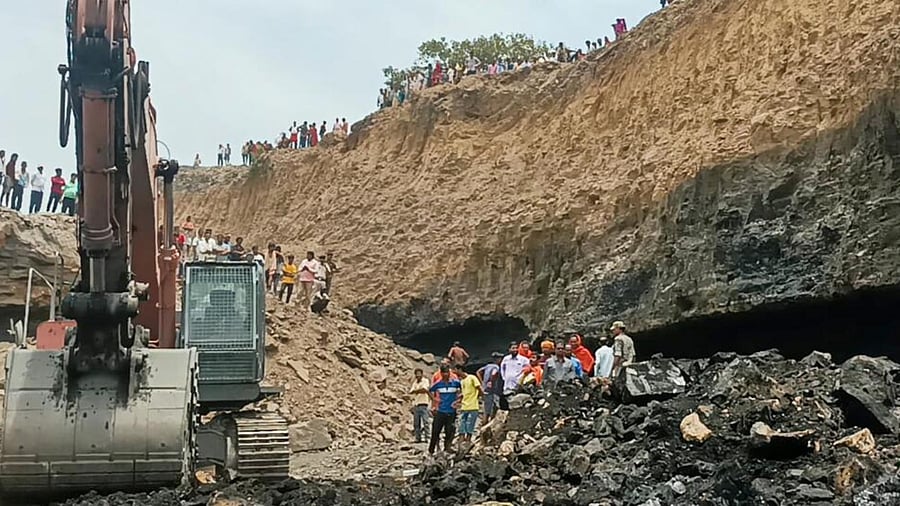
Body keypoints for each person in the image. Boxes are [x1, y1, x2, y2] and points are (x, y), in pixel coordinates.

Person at [428, 365, 461, 454]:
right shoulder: (438, 384)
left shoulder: (456, 383)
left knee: (449, 431)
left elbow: (464, 389)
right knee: (435, 431)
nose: (446, 374)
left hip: (451, 411)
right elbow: (429, 390)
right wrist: (434, 399)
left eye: (448, 372)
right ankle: (431, 451)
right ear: (441, 373)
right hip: (441, 411)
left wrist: (459, 400)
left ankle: (447, 448)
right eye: (444, 373)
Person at [455, 365, 481, 443]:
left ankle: (468, 440)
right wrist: (458, 400)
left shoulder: (472, 378)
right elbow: (464, 393)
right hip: (464, 405)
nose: (455, 372)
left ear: (460, 369)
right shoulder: (462, 381)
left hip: (473, 406)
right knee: (462, 423)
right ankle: (462, 439)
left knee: (470, 424)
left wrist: (477, 397)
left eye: (456, 370)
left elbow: (479, 389)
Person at [477, 352, 504, 421]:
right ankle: (488, 425)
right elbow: (494, 373)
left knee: (486, 409)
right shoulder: (496, 367)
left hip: (486, 390)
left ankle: (484, 424)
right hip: (493, 391)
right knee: (494, 408)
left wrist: (482, 382)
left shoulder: (488, 366)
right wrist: (491, 381)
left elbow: (478, 372)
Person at [408, 369, 431, 443]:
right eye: (417, 374)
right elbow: (411, 391)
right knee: (416, 423)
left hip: (424, 403)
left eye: (419, 374)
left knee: (426, 422)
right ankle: (418, 438)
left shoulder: (425, 381)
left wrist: (416, 391)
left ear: (422, 374)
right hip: (416, 404)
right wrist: (418, 390)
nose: (418, 375)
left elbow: (424, 389)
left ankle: (428, 437)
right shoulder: (415, 382)